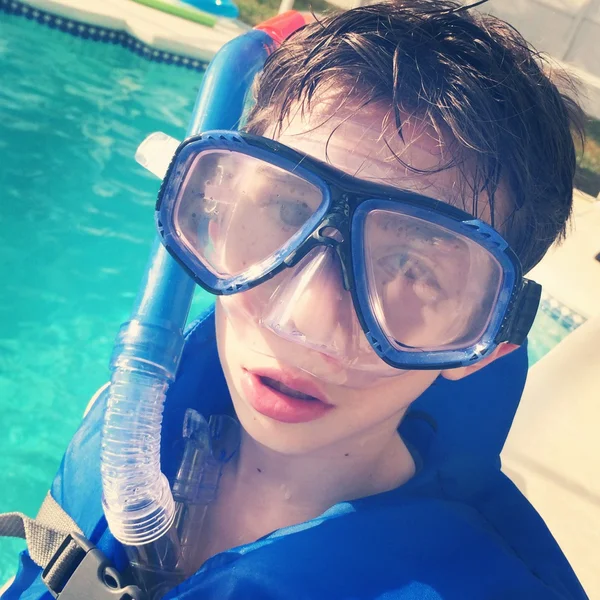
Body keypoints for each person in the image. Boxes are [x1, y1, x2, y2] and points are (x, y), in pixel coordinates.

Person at [141, 0, 588, 596]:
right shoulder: (135, 421)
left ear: (486, 344)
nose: (303, 322)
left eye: (413, 268)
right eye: (285, 211)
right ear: (216, 215)